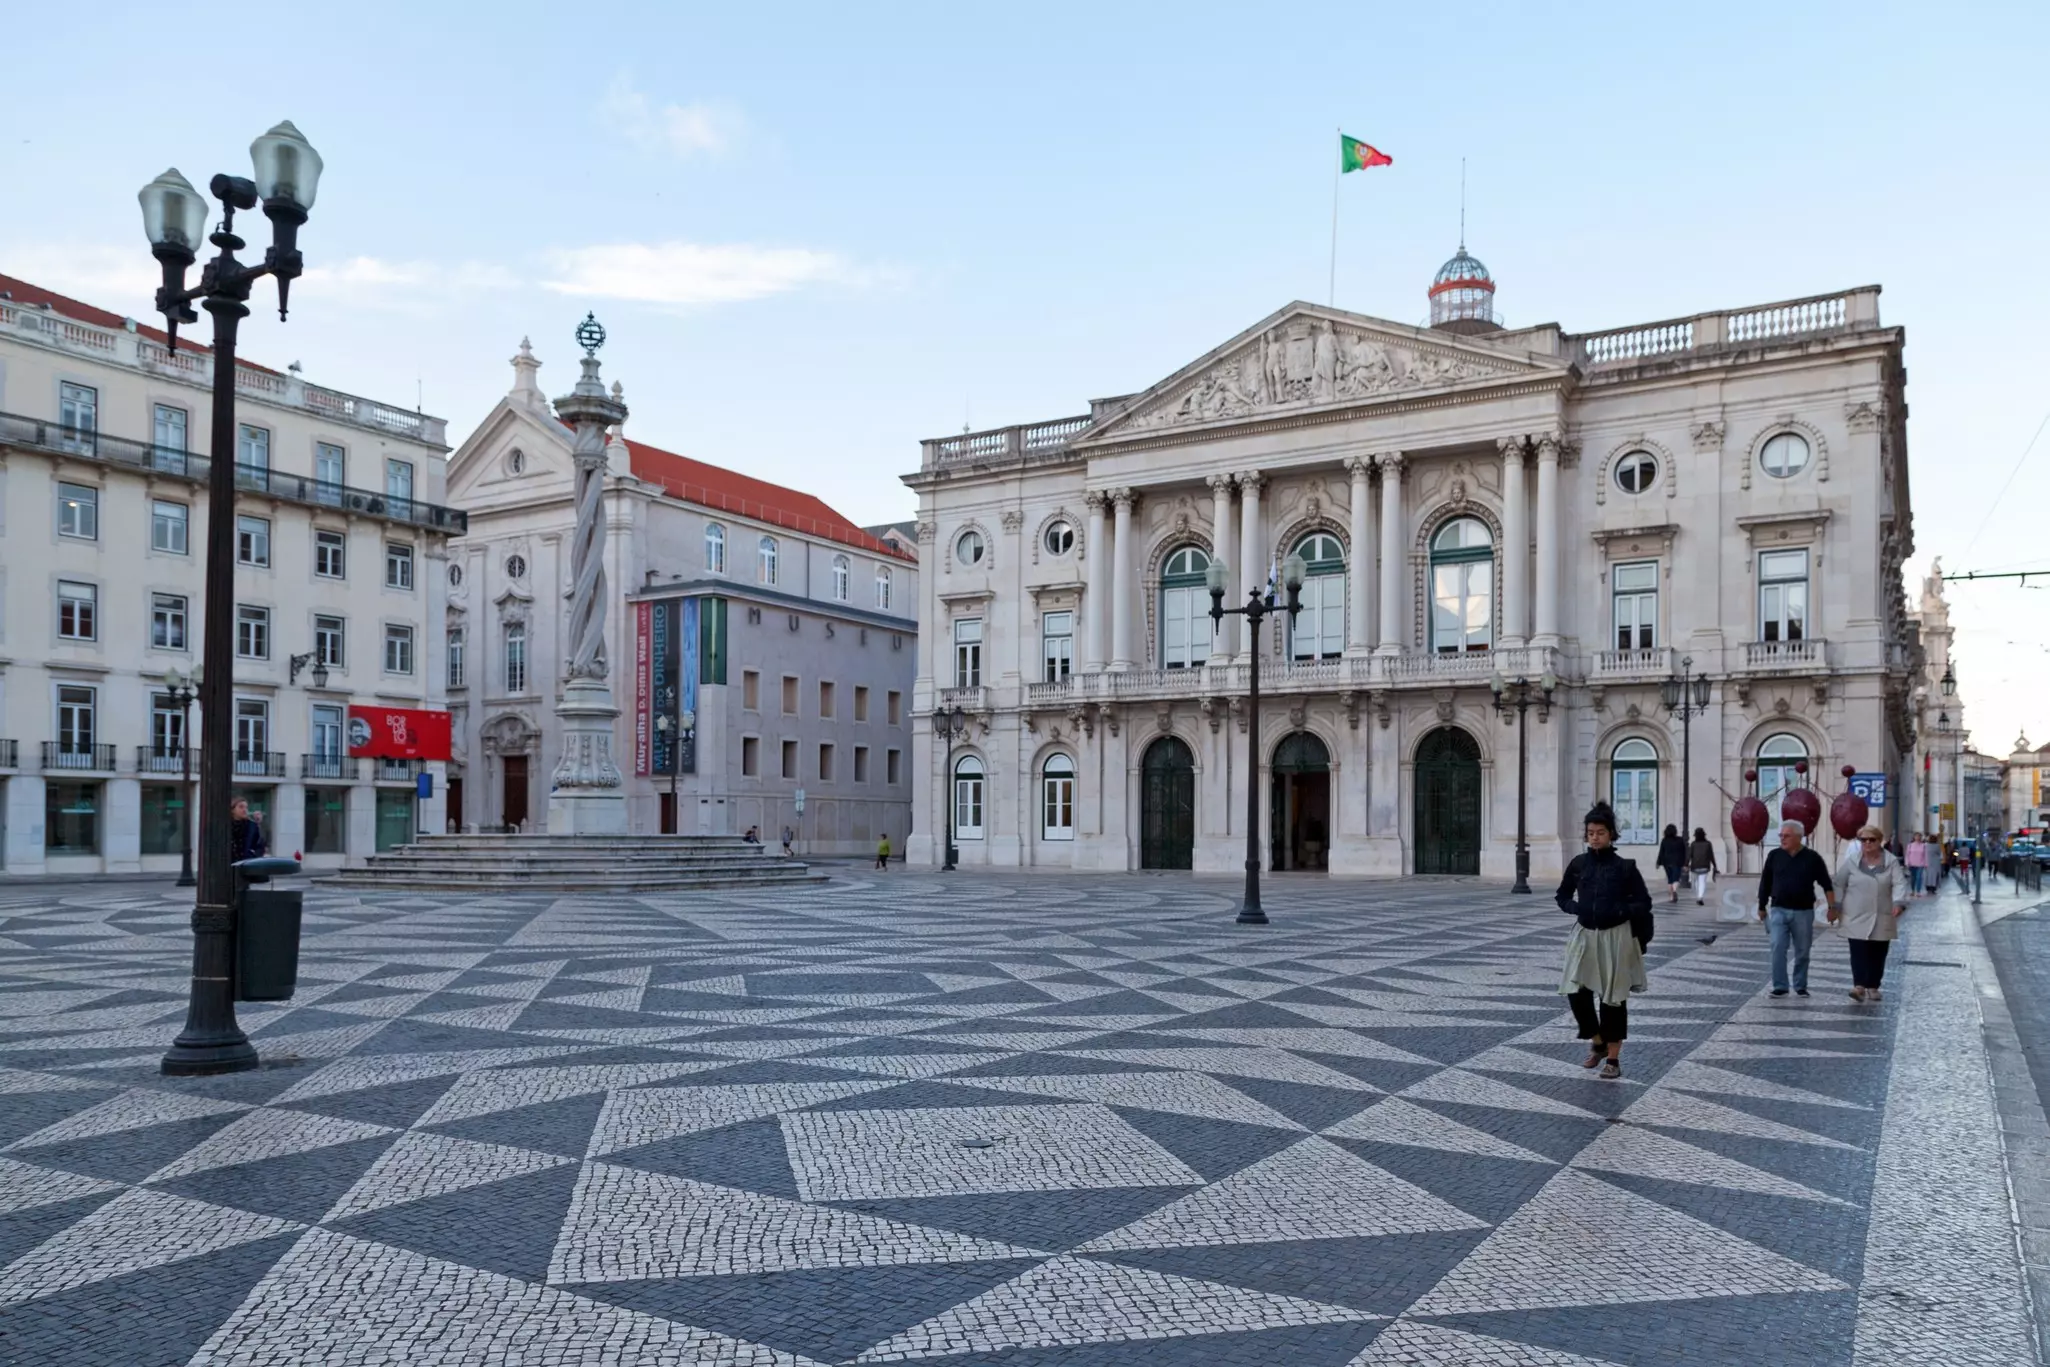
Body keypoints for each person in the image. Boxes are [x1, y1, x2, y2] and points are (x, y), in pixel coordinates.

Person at [1555, 801, 1653, 1081]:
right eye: (1590, 832)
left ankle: (1612, 1058)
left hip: (1616, 937)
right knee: (1576, 992)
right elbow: (1562, 896)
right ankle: (1597, 1040)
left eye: (1600, 832)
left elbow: (1644, 903)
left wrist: (1621, 911)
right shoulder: (1578, 864)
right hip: (1585, 934)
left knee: (1613, 999)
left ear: (1611, 834)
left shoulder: (1625, 868)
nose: (1594, 837)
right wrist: (1576, 909)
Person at [1757, 820, 1837, 997]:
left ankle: (1800, 985)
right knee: (1777, 946)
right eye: (1781, 835)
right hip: (1778, 909)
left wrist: (1832, 907)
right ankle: (1780, 986)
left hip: (1803, 911)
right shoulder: (1774, 855)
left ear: (1799, 837)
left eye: (1787, 835)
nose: (1782, 839)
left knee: (1802, 951)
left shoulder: (1812, 858)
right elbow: (1765, 882)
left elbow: (1827, 884)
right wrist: (1761, 905)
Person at [1836, 824, 1909, 1002]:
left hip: (1881, 913)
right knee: (1858, 949)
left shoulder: (1890, 861)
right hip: (1855, 913)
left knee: (1878, 951)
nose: (1867, 843)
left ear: (1879, 841)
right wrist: (1836, 905)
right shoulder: (1852, 861)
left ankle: (1873, 986)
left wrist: (1898, 902)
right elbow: (1839, 883)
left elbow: (1899, 883)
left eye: (1872, 840)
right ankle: (1859, 986)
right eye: (1863, 840)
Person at [1655, 824, 1687, 904]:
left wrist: (1658, 862)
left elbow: (1661, 852)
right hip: (1677, 862)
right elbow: (1684, 852)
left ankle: (1671, 896)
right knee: (1676, 878)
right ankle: (1675, 890)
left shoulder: (1664, 840)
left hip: (1667, 862)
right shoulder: (1680, 840)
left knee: (1670, 880)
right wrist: (1685, 863)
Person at [1687, 826, 1719, 905]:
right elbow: (1711, 855)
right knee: (1702, 882)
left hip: (1695, 866)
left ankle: (1698, 895)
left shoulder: (1693, 844)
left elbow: (1690, 855)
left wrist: (1686, 864)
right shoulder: (1708, 844)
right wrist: (1715, 865)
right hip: (1705, 866)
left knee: (1696, 882)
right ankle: (1700, 897)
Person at [1903, 833, 1928, 897]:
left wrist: (1926, 863)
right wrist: (1907, 862)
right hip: (1912, 864)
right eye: (1917, 836)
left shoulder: (1923, 845)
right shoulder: (1910, 845)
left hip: (1920, 864)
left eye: (1919, 836)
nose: (1918, 838)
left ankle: (1918, 891)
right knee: (1913, 878)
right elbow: (1907, 854)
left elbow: (1925, 855)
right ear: (1914, 837)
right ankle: (1912, 890)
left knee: (1919, 877)